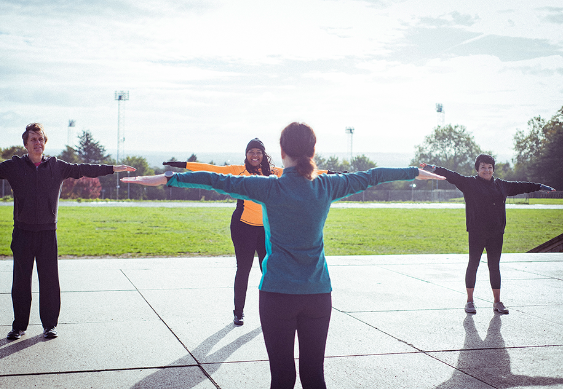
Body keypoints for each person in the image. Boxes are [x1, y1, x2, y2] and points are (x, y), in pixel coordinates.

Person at [123, 122, 444, 389]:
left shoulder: (269, 187)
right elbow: (374, 175)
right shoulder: (328, 186)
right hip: (318, 294)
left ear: (281, 152)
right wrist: (415, 171)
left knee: (283, 378)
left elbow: (217, 180)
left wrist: (168, 178)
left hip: (277, 294)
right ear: (313, 152)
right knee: (314, 377)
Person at [0, 123, 135, 340]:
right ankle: (19, 326)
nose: (38, 143)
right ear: (26, 144)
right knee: (21, 281)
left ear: (45, 143)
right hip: (22, 233)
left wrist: (112, 168)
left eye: (41, 139)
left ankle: (50, 326)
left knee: (49, 281)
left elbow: (84, 168)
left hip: (47, 233)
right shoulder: (14, 166)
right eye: (33, 139)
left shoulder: (57, 166)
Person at [163, 139, 282, 326]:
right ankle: (238, 312)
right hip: (242, 226)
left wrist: (332, 175)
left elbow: (305, 174)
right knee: (243, 270)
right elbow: (209, 169)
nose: (255, 155)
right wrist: (182, 165)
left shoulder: (275, 173)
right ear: (246, 154)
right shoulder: (236, 170)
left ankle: (273, 313)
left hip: (267, 229)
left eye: (258, 151)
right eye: (251, 151)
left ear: (264, 154)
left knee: (268, 271)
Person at [421, 155, 555, 315]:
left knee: (494, 266)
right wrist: (433, 168)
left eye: (490, 167)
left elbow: (522, 186)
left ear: (493, 169)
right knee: (473, 265)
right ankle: (469, 301)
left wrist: (540, 186)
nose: (487, 170)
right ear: (477, 169)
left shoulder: (501, 185)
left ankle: (497, 302)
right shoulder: (469, 183)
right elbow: (451, 175)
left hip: (496, 232)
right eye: (483, 167)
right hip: (477, 232)